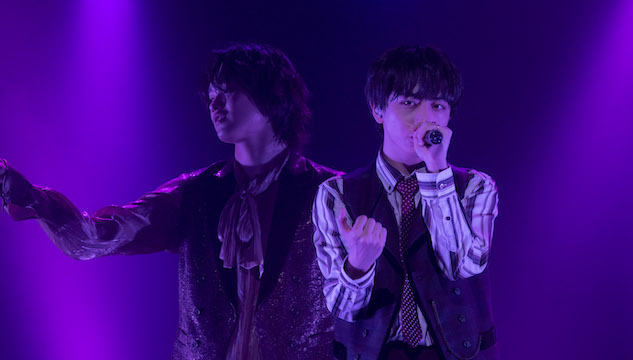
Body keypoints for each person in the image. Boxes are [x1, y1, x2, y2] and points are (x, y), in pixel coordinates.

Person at [0, 42, 336, 360]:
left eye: (228, 90)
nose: (214, 104)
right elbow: (94, 238)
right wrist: (32, 197)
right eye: (211, 95)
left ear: (272, 94)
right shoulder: (195, 193)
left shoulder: (328, 192)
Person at [312, 45, 499, 360]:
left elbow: (462, 266)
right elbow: (342, 308)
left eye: (437, 105)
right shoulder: (336, 194)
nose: (425, 119)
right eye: (409, 103)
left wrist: (437, 173)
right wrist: (357, 264)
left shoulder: (476, 188)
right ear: (378, 110)